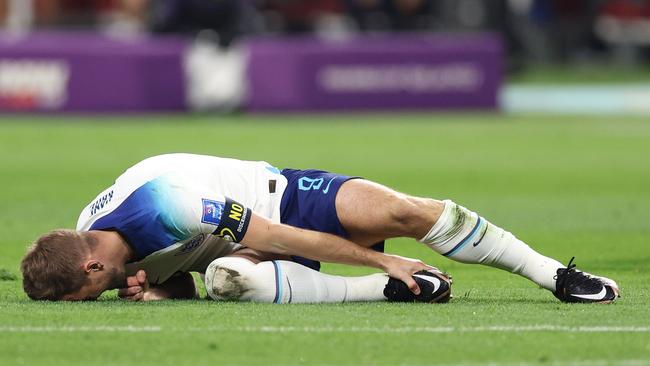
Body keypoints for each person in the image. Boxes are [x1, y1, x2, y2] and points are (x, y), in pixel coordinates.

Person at [20, 153, 619, 304]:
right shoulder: (98, 242)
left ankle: (555, 275)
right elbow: (186, 280)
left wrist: (387, 256)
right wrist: (153, 291)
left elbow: (276, 236)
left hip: (281, 201)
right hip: (239, 248)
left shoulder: (168, 206)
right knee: (228, 279)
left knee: (401, 214)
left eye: (89, 295)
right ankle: (392, 293)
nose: (96, 301)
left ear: (91, 265)